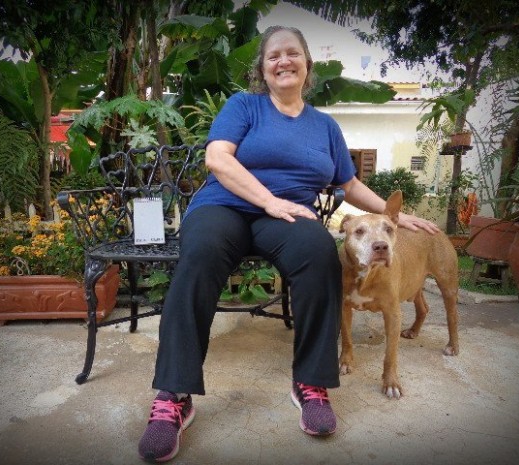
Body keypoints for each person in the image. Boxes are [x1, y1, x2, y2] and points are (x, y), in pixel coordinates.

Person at [138, 25, 439, 463]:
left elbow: (348, 181)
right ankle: (174, 396)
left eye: (293, 53)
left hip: (287, 217)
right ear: (263, 67)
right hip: (225, 205)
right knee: (199, 255)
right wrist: (268, 200)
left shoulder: (324, 126)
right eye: (274, 55)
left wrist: (393, 216)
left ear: (306, 65)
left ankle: (311, 384)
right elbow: (217, 158)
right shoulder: (245, 106)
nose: (284, 61)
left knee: (319, 253)